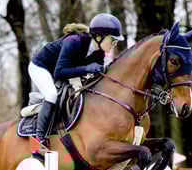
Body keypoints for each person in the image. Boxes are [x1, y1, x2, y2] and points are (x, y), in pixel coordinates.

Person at [29, 13, 124, 149]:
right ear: (98, 37)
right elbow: (59, 73)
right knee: (51, 95)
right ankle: (40, 139)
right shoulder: (74, 41)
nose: (114, 44)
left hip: (61, 70)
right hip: (41, 67)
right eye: (112, 40)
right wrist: (87, 69)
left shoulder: (99, 53)